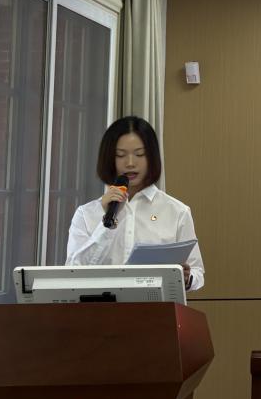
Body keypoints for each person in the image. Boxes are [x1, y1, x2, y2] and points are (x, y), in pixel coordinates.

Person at [66, 116, 205, 291]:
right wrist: (106, 225)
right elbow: (72, 272)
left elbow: (197, 272)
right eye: (120, 155)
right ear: (110, 158)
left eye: (139, 154)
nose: (130, 163)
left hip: (156, 306)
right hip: (102, 306)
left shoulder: (177, 211)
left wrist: (186, 278)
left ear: (152, 157)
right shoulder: (86, 214)